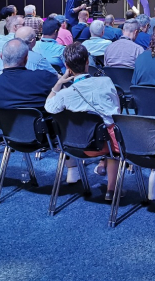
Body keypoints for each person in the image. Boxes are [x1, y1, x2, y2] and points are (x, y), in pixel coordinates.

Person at [45, 43, 121, 193]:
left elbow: (49, 106)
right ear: (87, 61)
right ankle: (111, 190)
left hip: (72, 144)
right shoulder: (106, 81)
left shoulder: (64, 94)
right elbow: (115, 111)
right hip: (104, 144)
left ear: (67, 66)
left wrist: (59, 83)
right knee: (112, 131)